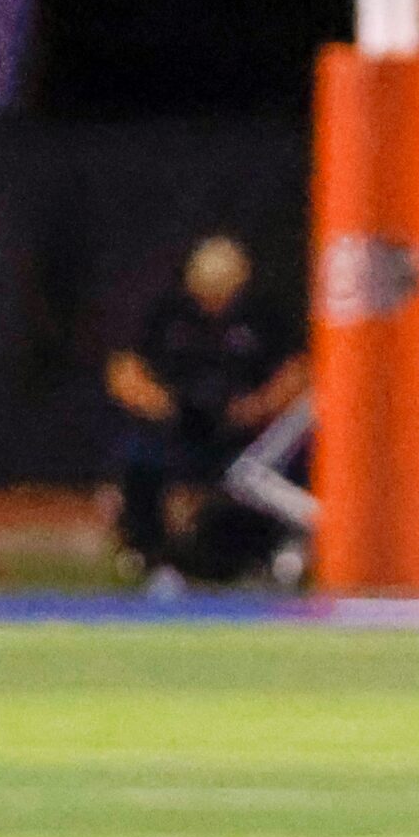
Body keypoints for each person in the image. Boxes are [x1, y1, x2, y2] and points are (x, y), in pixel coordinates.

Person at [107, 235, 308, 584]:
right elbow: (125, 369)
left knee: (278, 470)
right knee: (138, 457)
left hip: (246, 433)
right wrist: (164, 404)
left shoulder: (263, 316)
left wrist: (259, 406)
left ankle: (273, 549)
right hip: (179, 428)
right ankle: (146, 551)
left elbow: (299, 370)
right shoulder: (170, 314)